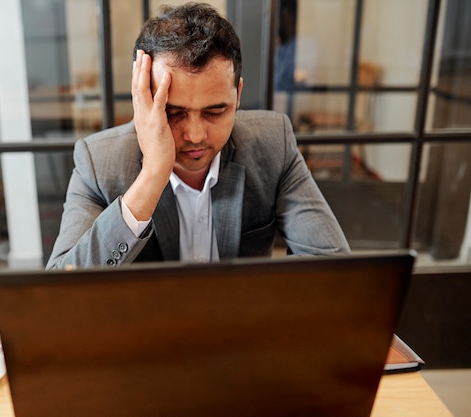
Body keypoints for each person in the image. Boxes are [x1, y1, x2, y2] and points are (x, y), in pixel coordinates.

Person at [46, 2, 349, 269]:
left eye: (215, 112)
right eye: (173, 112)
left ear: (238, 95)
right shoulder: (99, 162)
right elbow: (58, 295)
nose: (194, 135)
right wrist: (152, 175)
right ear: (143, 101)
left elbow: (335, 270)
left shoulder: (273, 144)